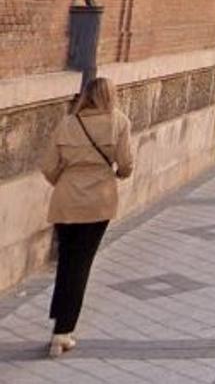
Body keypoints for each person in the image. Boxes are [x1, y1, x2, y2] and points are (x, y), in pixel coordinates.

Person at [39, 77, 134, 358]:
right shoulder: (118, 122)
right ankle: (63, 332)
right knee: (81, 263)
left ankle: (59, 321)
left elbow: (47, 167)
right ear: (110, 96)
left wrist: (65, 182)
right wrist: (116, 175)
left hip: (67, 200)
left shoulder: (67, 124)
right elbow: (127, 164)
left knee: (67, 260)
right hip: (98, 202)